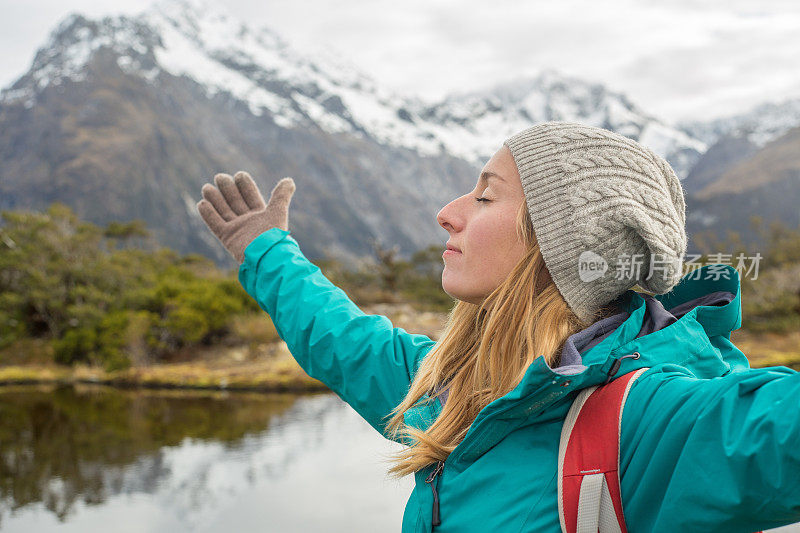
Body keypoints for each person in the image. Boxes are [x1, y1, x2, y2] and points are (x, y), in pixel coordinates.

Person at [196, 121, 800, 532]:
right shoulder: (455, 389)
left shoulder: (654, 421)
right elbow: (345, 342)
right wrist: (265, 249)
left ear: (559, 245)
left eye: (485, 198)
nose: (448, 213)